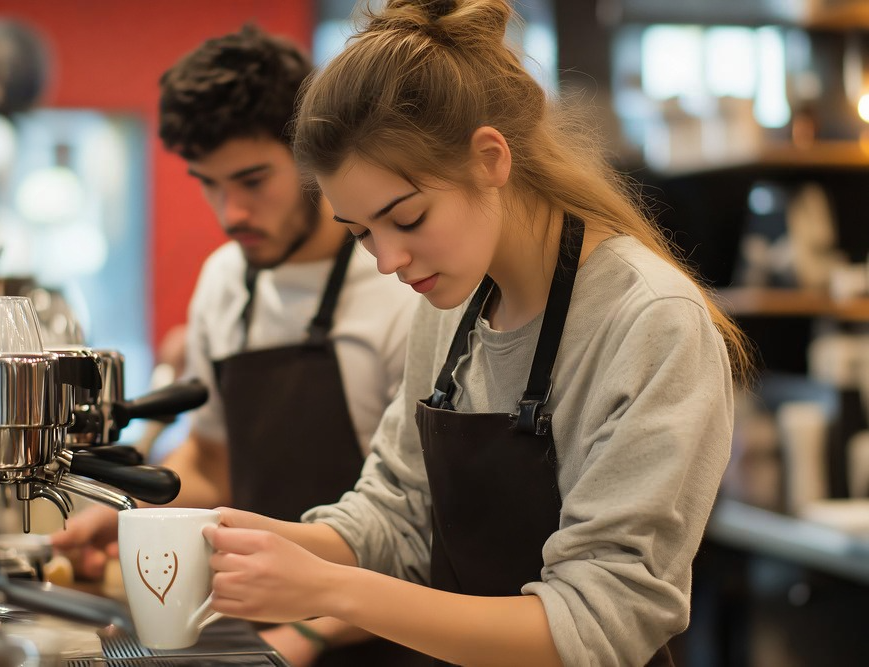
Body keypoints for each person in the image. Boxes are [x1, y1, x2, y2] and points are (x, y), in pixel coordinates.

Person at [198, 1, 753, 665]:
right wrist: (245, 544)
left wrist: (331, 589)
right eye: (362, 233)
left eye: (406, 217)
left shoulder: (650, 321)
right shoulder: (448, 308)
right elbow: (397, 511)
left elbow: (600, 618)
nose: (388, 260)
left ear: (490, 157)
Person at [50, 25, 426, 667]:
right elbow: (215, 463)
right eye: (210, 184)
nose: (231, 214)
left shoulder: (405, 284)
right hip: (259, 623)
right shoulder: (225, 281)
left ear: (312, 154)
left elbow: (418, 524)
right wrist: (136, 519)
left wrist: (313, 632)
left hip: (387, 635)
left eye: (253, 181)